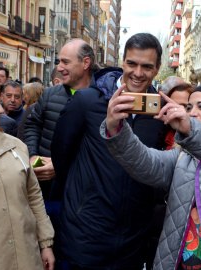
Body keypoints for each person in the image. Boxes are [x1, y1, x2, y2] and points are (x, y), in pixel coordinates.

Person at [101, 84, 201, 270]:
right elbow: (145, 162)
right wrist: (115, 128)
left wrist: (192, 131)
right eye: (189, 107)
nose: (192, 113)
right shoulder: (184, 156)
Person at [51, 33, 166, 269]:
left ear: (157, 69)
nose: (137, 73)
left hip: (133, 241)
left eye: (147, 66)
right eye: (132, 63)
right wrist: (83, 199)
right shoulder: (86, 101)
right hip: (85, 236)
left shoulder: (160, 111)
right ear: (122, 61)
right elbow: (61, 156)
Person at [23, 39, 99, 270]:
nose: (59, 67)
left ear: (85, 63)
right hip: (44, 194)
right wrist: (33, 158)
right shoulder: (50, 95)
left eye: (65, 61)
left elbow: (101, 152)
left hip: (81, 201)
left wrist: (61, 166)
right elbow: (32, 126)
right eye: (58, 61)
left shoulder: (102, 100)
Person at [0, 79, 55, 269]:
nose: (0, 110)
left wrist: (46, 244)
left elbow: (33, 196)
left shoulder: (16, 145)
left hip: (25, 256)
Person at [146, 83, 193, 269]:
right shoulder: (155, 135)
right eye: (173, 103)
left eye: (186, 106)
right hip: (154, 224)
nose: (178, 110)